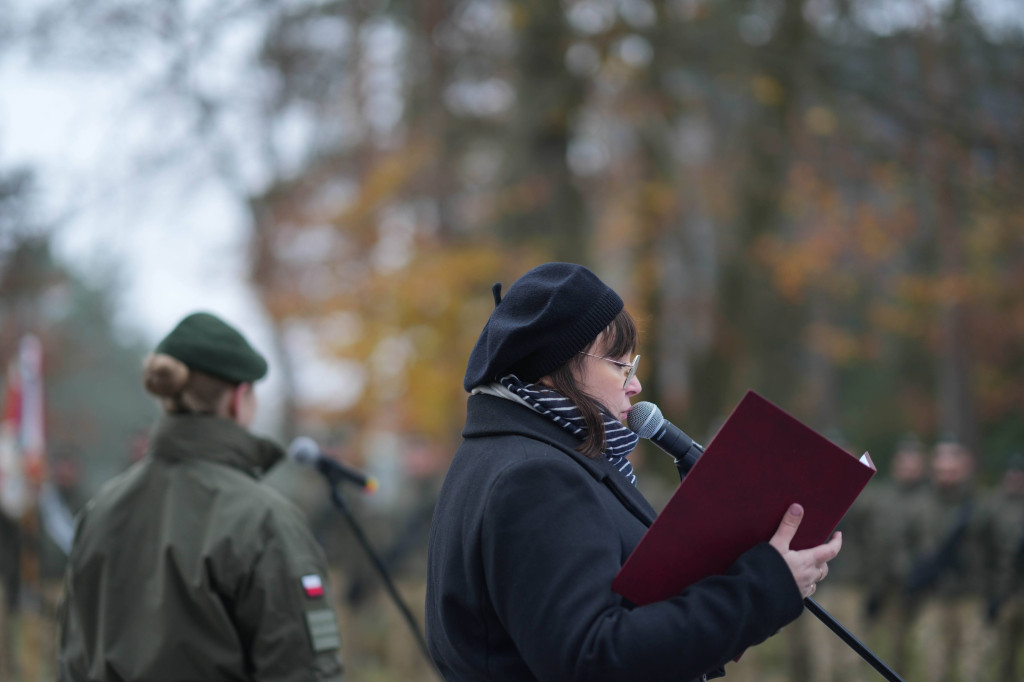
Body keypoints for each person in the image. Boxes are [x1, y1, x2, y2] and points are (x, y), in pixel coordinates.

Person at [425, 262, 842, 682]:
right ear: (553, 370)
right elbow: (594, 658)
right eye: (618, 363)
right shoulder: (537, 478)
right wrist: (763, 588)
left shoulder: (512, 455)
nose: (635, 384)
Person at [57, 312, 344, 681]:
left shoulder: (99, 511)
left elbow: (72, 660)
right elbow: (304, 672)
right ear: (239, 399)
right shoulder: (263, 519)